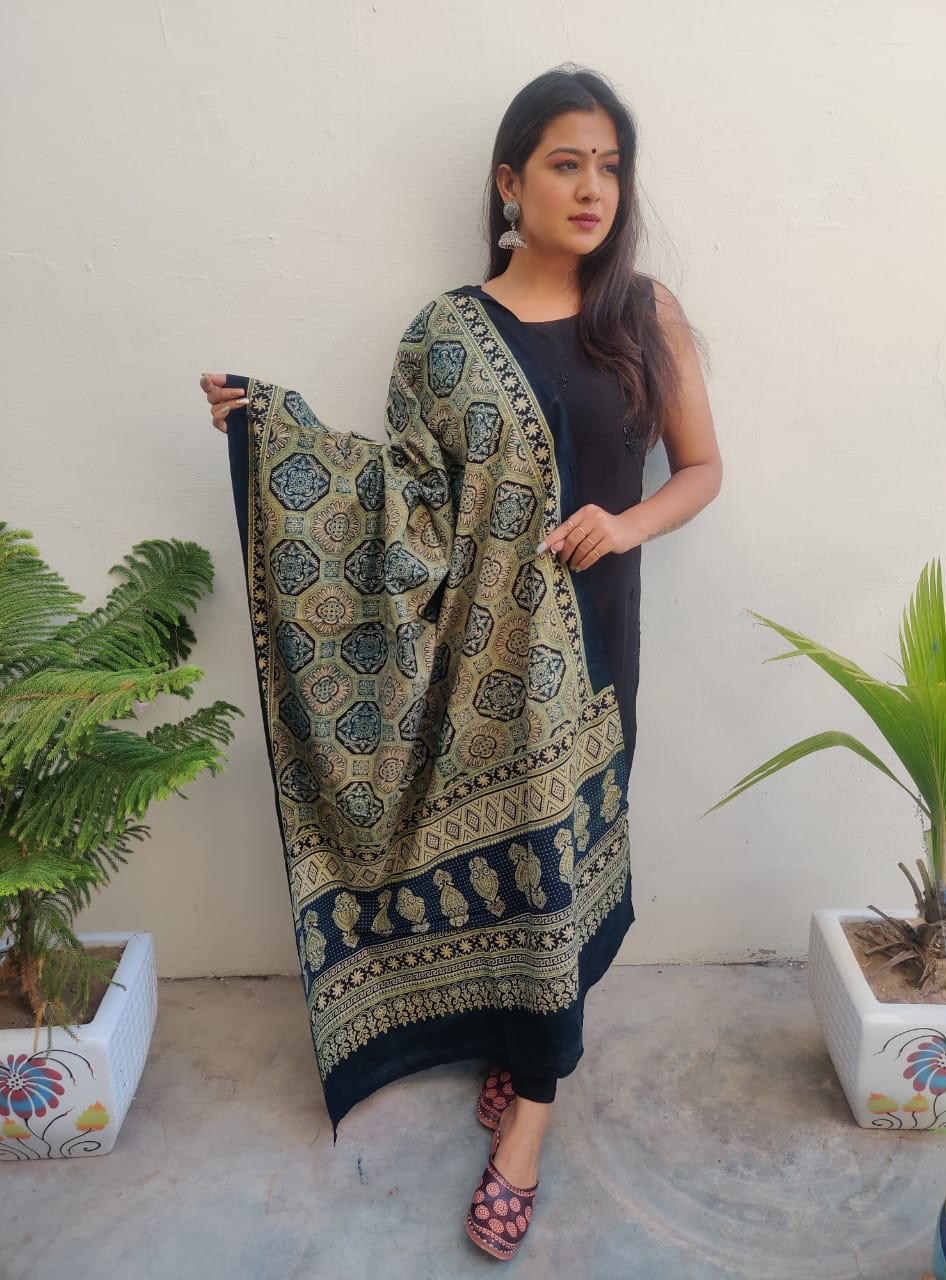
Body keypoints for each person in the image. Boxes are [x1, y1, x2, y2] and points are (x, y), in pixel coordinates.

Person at [200, 66, 720, 1261]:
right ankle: (521, 1043)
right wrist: (275, 433)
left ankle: (530, 1112)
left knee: (563, 865)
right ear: (509, 182)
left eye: (609, 166)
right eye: (565, 163)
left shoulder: (644, 315)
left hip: (595, 645)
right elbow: (402, 505)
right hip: (476, 662)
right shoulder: (443, 335)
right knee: (526, 871)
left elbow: (700, 469)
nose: (592, 188)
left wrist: (626, 523)